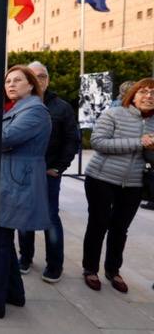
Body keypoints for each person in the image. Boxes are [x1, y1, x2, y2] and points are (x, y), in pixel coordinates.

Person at [81, 78, 154, 293]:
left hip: (133, 183)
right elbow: (98, 143)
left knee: (120, 228)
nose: (149, 96)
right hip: (101, 178)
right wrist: (138, 142)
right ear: (133, 94)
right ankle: (90, 269)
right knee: (98, 224)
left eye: (153, 93)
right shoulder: (114, 113)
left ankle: (113, 270)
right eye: (144, 91)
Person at [0, 65, 51, 318]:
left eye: (18, 80)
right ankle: (15, 294)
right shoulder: (19, 108)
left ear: (31, 84)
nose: (11, 85)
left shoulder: (35, 110)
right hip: (11, 177)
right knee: (2, 237)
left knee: (0, 241)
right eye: (8, 81)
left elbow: (3, 138)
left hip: (18, 181)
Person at [18, 61, 80, 283]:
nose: (38, 80)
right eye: (32, 76)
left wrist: (58, 167)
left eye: (42, 76)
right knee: (24, 218)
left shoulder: (61, 107)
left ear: (48, 79)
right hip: (22, 173)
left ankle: (55, 265)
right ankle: (25, 258)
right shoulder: (18, 104)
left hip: (47, 174)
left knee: (50, 218)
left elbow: (72, 140)